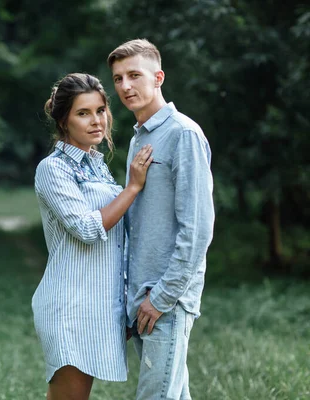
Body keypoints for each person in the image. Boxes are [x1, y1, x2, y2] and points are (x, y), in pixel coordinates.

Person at [33, 72, 154, 400]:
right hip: (70, 305)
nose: (96, 121)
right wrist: (132, 187)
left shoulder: (97, 166)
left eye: (100, 110)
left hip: (97, 304)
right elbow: (88, 229)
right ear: (63, 120)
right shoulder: (53, 169)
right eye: (83, 113)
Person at [107, 39, 215, 400]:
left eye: (134, 75)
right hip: (142, 297)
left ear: (158, 77)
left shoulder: (182, 134)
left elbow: (197, 228)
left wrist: (163, 296)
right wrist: (131, 297)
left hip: (165, 298)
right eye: (118, 78)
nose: (125, 86)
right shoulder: (141, 138)